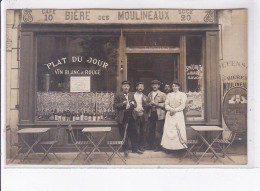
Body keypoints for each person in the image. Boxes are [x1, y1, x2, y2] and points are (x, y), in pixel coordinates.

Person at [114, 81, 143, 156]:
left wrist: (133, 104)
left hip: (132, 116)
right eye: (124, 86)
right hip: (123, 116)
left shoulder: (132, 94)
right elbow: (115, 105)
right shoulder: (118, 95)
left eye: (127, 86)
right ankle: (126, 150)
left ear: (129, 87)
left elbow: (136, 104)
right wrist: (123, 103)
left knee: (134, 132)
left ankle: (135, 149)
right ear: (122, 87)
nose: (126, 87)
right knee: (124, 133)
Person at [161, 81, 188, 151]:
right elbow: (166, 104)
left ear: (179, 87)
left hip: (178, 114)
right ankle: (169, 148)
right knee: (169, 130)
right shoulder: (169, 95)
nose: (174, 87)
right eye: (173, 86)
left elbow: (183, 105)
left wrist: (175, 110)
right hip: (170, 114)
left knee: (178, 130)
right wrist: (170, 109)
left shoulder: (182, 94)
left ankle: (179, 148)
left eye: (176, 86)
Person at [147, 80, 167, 152]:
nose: (154, 86)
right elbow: (147, 103)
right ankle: (151, 145)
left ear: (159, 86)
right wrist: (149, 104)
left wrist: (157, 104)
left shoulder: (163, 94)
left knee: (158, 130)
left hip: (159, 114)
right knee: (151, 130)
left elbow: (166, 105)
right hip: (151, 113)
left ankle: (158, 146)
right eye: (153, 85)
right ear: (151, 86)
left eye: (156, 85)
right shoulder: (149, 94)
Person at [134, 82, 150, 152]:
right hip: (134, 115)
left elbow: (148, 106)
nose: (140, 88)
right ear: (136, 87)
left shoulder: (145, 97)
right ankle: (135, 147)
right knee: (136, 131)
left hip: (143, 115)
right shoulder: (132, 95)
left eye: (142, 86)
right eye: (139, 86)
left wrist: (143, 108)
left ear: (143, 88)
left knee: (143, 131)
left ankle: (141, 146)